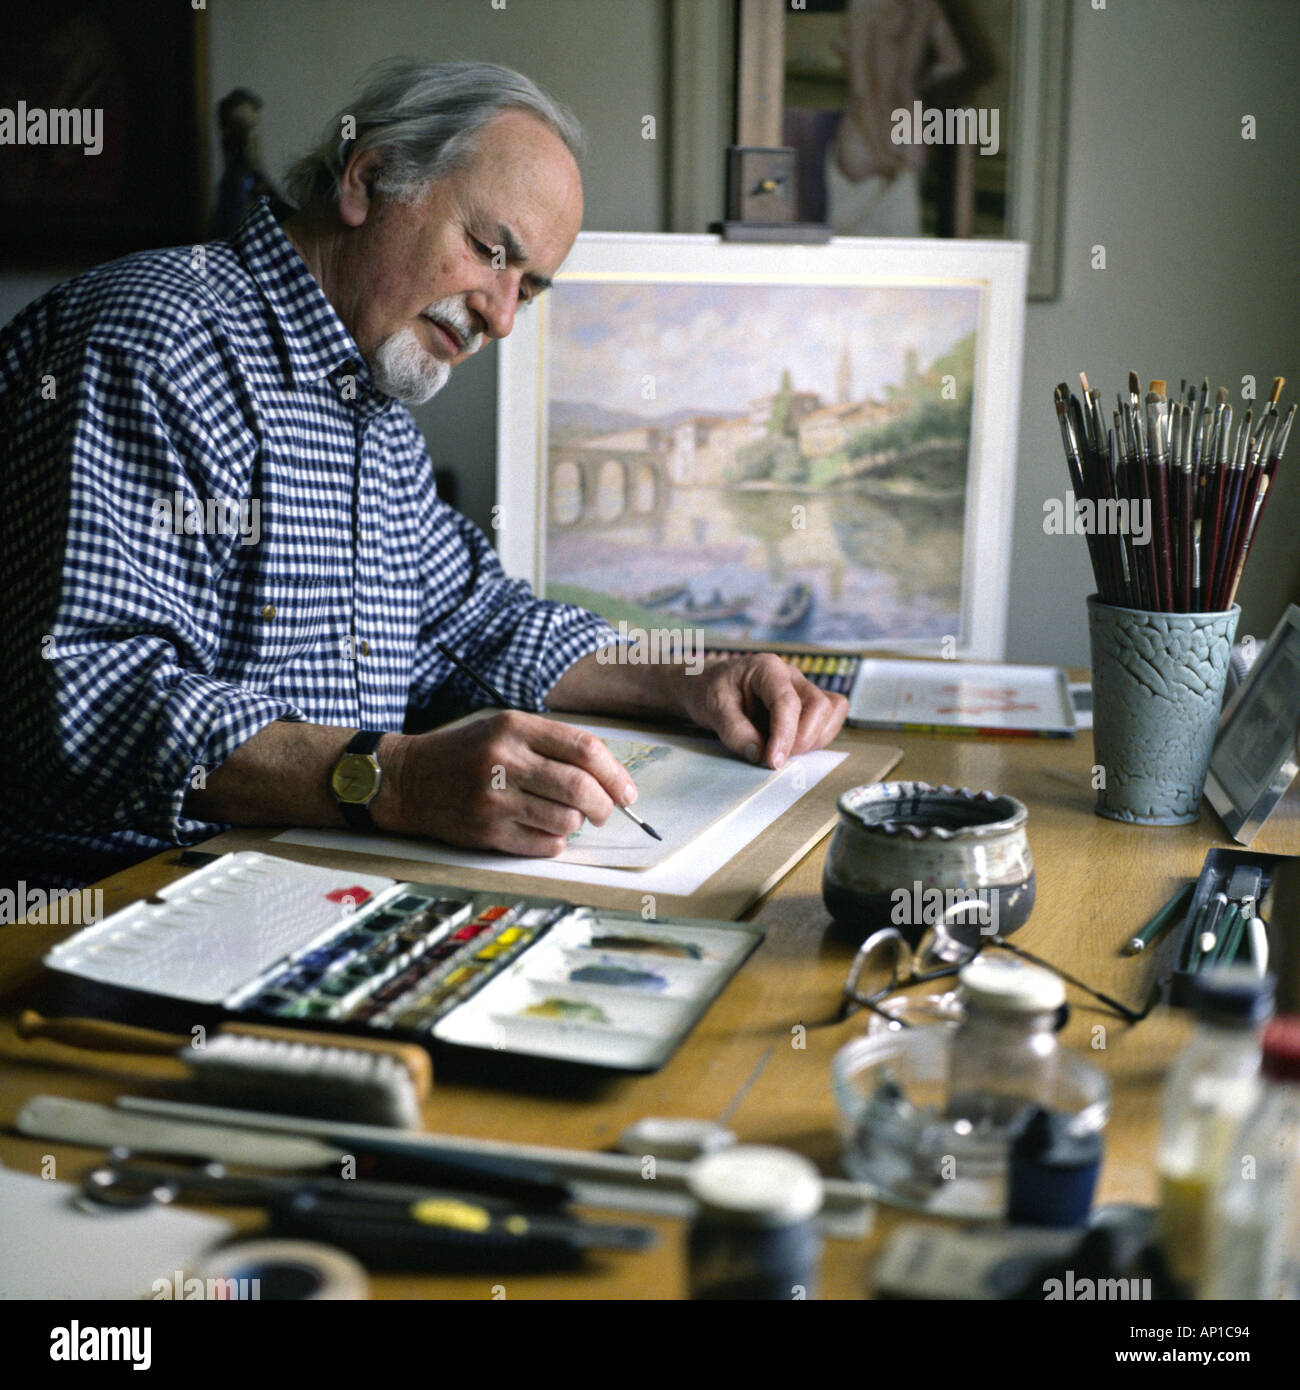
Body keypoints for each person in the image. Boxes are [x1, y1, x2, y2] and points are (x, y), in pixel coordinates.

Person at [0, 59, 847, 895]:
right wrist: (396, 780)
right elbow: (90, 696)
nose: (503, 317)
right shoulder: (154, 341)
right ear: (369, 180)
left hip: (297, 894)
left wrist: (691, 676)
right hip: (96, 916)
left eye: (531, 288)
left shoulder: (374, 412)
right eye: (490, 251)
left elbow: (479, 625)